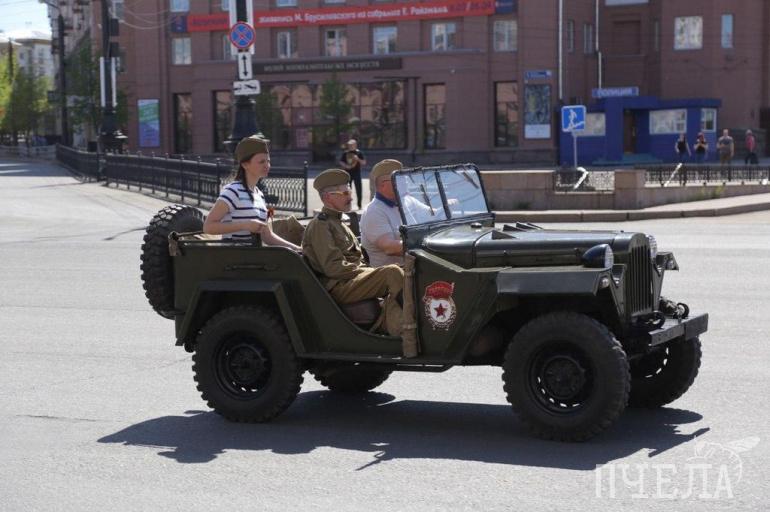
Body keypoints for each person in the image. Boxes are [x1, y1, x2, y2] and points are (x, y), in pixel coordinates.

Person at [302, 169, 404, 336]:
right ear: (328, 197)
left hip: (352, 280)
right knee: (391, 273)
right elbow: (333, 268)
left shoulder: (339, 222)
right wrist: (368, 272)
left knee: (406, 270)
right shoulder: (321, 225)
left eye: (349, 192)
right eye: (344, 193)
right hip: (340, 285)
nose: (350, 197)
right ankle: (410, 326)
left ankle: (399, 328)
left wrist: (368, 271)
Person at [203, 135, 300, 251]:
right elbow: (208, 227)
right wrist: (245, 225)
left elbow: (267, 236)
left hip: (254, 257)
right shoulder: (232, 191)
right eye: (261, 162)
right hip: (233, 258)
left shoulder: (259, 194)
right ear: (245, 165)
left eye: (268, 161)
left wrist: (298, 249)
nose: (267, 165)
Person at [360, 159, 405, 267]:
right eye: (399, 179)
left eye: (404, 178)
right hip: (393, 274)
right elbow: (390, 247)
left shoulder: (407, 201)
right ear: (383, 185)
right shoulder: (373, 211)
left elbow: (433, 214)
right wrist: (425, 244)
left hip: (417, 268)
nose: (405, 182)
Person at [339, 139, 367, 210]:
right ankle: (347, 205)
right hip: (347, 173)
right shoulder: (345, 153)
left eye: (352, 145)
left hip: (356, 173)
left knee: (358, 189)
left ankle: (359, 205)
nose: (350, 146)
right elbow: (341, 162)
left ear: (355, 145)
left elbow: (364, 162)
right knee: (347, 190)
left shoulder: (359, 153)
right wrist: (346, 165)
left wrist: (358, 159)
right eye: (349, 145)